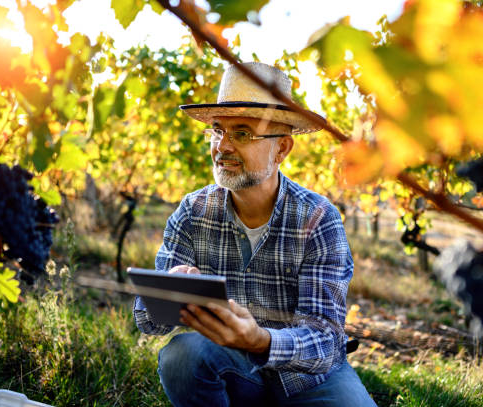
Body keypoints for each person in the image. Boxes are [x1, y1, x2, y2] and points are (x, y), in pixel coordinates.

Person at [133, 62, 376, 407]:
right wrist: (168, 290)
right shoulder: (192, 212)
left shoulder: (318, 219)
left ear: (282, 149)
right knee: (181, 357)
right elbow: (145, 319)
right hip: (234, 367)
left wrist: (260, 340)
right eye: (218, 131)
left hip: (307, 377)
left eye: (242, 133)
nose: (223, 146)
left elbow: (325, 342)